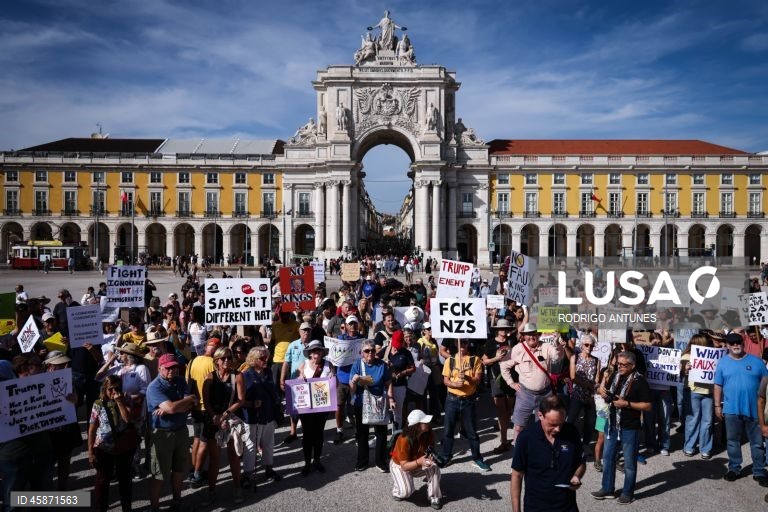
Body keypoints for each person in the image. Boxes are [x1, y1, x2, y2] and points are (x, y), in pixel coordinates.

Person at [591, 351, 652, 504]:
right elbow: (609, 394)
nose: (620, 367)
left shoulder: (640, 381)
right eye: (618, 364)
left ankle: (628, 492)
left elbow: (648, 406)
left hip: (630, 426)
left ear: (633, 365)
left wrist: (627, 404)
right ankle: (607, 488)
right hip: (612, 423)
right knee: (608, 457)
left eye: (624, 365)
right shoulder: (615, 376)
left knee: (629, 462)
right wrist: (602, 392)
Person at [511, 395, 586, 512]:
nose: (558, 429)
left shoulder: (571, 432)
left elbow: (581, 462)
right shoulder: (526, 438)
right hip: (536, 507)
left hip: (567, 507)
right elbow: (517, 475)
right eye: (553, 424)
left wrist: (577, 476)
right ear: (540, 415)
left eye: (561, 423)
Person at [146, 354, 199, 512]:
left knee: (178, 470)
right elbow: (174, 407)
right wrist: (179, 405)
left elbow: (191, 403)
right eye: (168, 367)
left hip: (180, 431)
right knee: (159, 474)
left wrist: (173, 407)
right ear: (159, 368)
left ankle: (177, 501)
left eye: (174, 367)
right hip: (162, 434)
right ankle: (154, 508)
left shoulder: (180, 380)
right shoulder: (154, 387)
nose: (172, 370)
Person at [714, 332, 768, 486]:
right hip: (731, 410)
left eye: (738, 342)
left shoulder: (757, 362)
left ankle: (759, 471)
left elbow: (766, 383)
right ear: (728, 346)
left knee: (757, 443)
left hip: (755, 410)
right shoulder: (722, 363)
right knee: (732, 442)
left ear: (743, 343)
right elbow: (718, 385)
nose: (736, 345)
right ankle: (734, 469)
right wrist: (717, 405)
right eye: (732, 343)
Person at [501, 323, 561, 442]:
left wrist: (558, 344)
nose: (531, 337)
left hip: (545, 394)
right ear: (523, 336)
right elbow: (504, 365)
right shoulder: (517, 349)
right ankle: (518, 453)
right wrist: (511, 383)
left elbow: (557, 357)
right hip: (525, 394)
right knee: (518, 427)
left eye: (533, 334)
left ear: (538, 335)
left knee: (544, 426)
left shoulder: (546, 347)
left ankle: (540, 450)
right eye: (528, 334)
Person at [201, 346, 246, 504]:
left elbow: (241, 400)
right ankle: (211, 492)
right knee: (214, 458)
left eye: (229, 357)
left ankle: (237, 487)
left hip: (231, 418)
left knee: (233, 456)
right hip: (213, 420)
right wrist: (215, 416)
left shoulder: (238, 376)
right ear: (216, 361)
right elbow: (206, 402)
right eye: (223, 358)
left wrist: (224, 415)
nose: (227, 360)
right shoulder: (209, 378)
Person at [437, 338, 490, 471]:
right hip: (452, 399)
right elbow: (446, 381)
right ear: (455, 343)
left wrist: (466, 377)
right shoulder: (450, 360)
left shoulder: (475, 360)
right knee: (448, 430)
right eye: (459, 342)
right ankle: (445, 456)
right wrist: (454, 384)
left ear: (468, 344)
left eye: (465, 342)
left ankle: (477, 458)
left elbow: (477, 381)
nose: (462, 345)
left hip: (468, 400)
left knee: (471, 431)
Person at [89, 375, 139, 512]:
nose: (114, 392)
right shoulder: (98, 404)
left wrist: (120, 402)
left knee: (125, 479)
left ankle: (126, 508)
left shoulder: (126, 399)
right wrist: (90, 452)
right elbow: (92, 429)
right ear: (104, 389)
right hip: (104, 448)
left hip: (124, 447)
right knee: (102, 481)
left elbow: (128, 419)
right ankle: (101, 508)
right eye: (110, 389)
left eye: (117, 388)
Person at [350, 339, 393, 472]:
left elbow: (389, 382)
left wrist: (391, 398)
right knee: (362, 433)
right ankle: (362, 461)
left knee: (381, 433)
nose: (370, 353)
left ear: (376, 351)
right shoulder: (357, 364)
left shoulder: (381, 365)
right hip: (361, 402)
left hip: (379, 402)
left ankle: (380, 461)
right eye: (366, 351)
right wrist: (354, 380)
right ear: (361, 353)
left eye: (372, 350)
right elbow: (351, 388)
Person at [242, 346, 282, 486]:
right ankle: (247, 474)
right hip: (253, 418)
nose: (266, 360)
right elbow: (241, 400)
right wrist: (252, 404)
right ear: (253, 359)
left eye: (267, 357)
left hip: (268, 415)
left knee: (269, 443)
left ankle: (269, 469)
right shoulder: (246, 375)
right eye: (262, 358)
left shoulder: (269, 372)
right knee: (251, 446)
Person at [390, 410, 443, 510]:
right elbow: (404, 466)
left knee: (434, 467)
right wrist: (419, 462)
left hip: (418, 461)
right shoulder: (403, 439)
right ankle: (397, 489)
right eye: (425, 422)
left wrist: (431, 458)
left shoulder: (428, 432)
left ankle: (434, 497)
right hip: (400, 465)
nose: (428, 423)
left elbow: (430, 449)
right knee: (406, 492)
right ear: (416, 425)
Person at [295, 340, 334, 476]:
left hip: (322, 405)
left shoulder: (329, 365)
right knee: (307, 434)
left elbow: (336, 383)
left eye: (318, 350)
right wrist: (300, 377)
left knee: (318, 433)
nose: (316, 353)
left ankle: (317, 460)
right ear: (309, 353)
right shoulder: (303, 365)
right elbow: (296, 383)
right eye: (313, 351)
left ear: (322, 352)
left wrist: (332, 378)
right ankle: (307, 463)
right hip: (306, 406)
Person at [482, 319, 516, 453]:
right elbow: (484, 361)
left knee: (509, 410)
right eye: (501, 328)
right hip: (496, 379)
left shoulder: (512, 341)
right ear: (497, 330)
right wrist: (497, 358)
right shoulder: (491, 343)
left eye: (506, 328)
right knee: (501, 410)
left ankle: (505, 438)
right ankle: (503, 440)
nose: (504, 331)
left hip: (512, 379)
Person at [681, 334, 714, 458]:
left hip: (708, 392)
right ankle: (689, 446)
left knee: (708, 421)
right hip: (692, 391)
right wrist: (685, 369)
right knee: (692, 420)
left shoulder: (711, 355)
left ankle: (705, 448)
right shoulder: (686, 356)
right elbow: (679, 373)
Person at [334, 315, 365, 444]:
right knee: (339, 406)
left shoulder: (362, 340)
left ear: (358, 325)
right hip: (342, 378)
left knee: (357, 407)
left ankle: (359, 432)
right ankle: (339, 430)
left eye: (354, 324)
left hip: (356, 379)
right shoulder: (339, 339)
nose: (352, 326)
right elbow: (333, 357)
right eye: (350, 324)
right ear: (345, 326)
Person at [567, 334, 601, 448]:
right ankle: (567, 442)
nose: (589, 347)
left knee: (590, 423)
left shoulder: (596, 360)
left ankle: (585, 444)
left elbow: (597, 378)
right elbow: (572, 376)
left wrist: (595, 387)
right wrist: (587, 384)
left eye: (592, 345)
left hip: (591, 396)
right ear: (582, 345)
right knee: (571, 420)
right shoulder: (574, 357)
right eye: (586, 345)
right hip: (577, 394)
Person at [379, 330, 415, 430]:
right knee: (383, 411)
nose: (396, 347)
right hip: (385, 385)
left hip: (399, 385)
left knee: (397, 413)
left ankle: (396, 436)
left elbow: (413, 368)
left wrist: (402, 373)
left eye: (398, 344)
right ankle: (380, 436)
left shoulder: (405, 352)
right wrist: (384, 363)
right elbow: (376, 359)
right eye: (395, 344)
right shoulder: (386, 350)